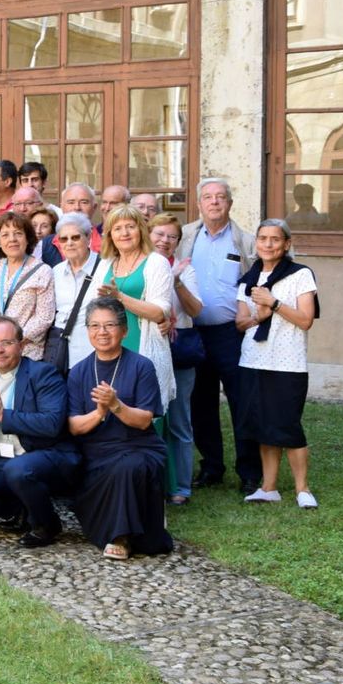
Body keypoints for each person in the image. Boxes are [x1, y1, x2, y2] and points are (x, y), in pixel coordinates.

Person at [0, 317, 81, 547]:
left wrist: (3, 416)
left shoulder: (43, 374)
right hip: (4, 458)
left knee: (18, 469)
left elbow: (52, 424)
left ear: (21, 345)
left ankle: (46, 524)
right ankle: (19, 511)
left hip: (48, 454)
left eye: (7, 342)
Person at [67, 297, 174, 559]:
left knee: (127, 467)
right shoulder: (78, 372)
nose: (102, 332)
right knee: (97, 468)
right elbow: (74, 426)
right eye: (94, 326)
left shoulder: (141, 366)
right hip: (97, 448)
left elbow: (145, 420)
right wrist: (99, 413)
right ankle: (115, 529)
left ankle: (120, 536)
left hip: (139, 445)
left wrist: (116, 405)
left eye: (109, 325)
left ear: (124, 330)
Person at [178, 177, 260, 493]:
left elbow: (256, 282)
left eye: (220, 197)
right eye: (208, 197)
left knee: (242, 401)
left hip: (231, 335)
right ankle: (211, 467)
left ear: (230, 203)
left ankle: (249, 471)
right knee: (201, 403)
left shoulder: (246, 241)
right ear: (199, 203)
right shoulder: (186, 236)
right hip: (195, 333)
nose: (214, 202)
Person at [234, 220, 319, 508]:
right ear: (256, 243)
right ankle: (269, 487)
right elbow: (240, 322)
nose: (268, 244)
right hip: (254, 359)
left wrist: (275, 303)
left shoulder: (301, 275)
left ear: (286, 244)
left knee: (288, 425)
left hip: (288, 362)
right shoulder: (249, 278)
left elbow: (305, 320)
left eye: (275, 239)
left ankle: (302, 489)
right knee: (263, 425)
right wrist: (259, 315)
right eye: (263, 238)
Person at [96, 206, 176, 425]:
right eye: (118, 228)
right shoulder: (105, 264)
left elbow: (160, 311)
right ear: (110, 235)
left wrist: (120, 297)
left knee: (146, 417)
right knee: (114, 414)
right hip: (111, 349)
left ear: (140, 230)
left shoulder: (155, 262)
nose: (124, 233)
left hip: (143, 347)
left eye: (130, 227)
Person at [149, 213, 202, 505]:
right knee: (153, 417)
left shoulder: (185, 269)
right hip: (150, 345)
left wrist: (178, 281)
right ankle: (155, 481)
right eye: (159, 234)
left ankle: (181, 486)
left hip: (179, 348)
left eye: (171, 236)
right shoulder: (142, 266)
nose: (164, 241)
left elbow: (195, 311)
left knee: (179, 420)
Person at [0, 212, 55, 363]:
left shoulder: (43, 271)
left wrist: (13, 342)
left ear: (28, 238)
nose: (12, 240)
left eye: (18, 234)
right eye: (5, 235)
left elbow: (44, 317)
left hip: (24, 352)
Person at [51, 213, 104, 377]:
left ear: (88, 238)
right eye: (64, 239)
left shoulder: (105, 267)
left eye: (75, 237)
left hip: (94, 353)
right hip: (60, 354)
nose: (69, 243)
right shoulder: (55, 272)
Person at [58, 183, 104, 253]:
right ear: (61, 206)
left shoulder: (107, 242)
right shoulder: (47, 245)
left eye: (84, 202)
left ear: (94, 207)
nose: (77, 207)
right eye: (71, 202)